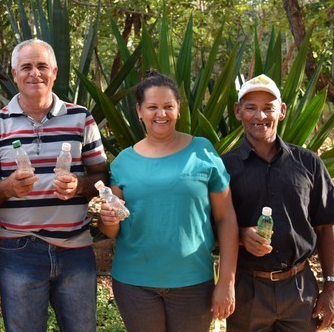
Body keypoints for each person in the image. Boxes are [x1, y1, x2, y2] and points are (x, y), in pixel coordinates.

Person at [0, 38, 108, 332]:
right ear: (14, 74)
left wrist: (80, 185)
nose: (34, 73)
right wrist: (7, 188)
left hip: (76, 247)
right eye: (26, 67)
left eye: (41, 66)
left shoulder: (81, 118)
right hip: (19, 250)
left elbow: (101, 175)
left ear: (55, 72)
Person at [98, 71, 238, 332]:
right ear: (139, 110)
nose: (160, 114)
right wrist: (107, 219)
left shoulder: (203, 151)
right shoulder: (123, 163)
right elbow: (112, 229)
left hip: (193, 282)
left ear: (178, 109)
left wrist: (227, 282)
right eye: (152, 107)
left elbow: (226, 218)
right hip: (134, 283)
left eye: (168, 107)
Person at [222, 74, 334, 331]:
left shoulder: (309, 163)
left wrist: (331, 287)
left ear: (282, 111)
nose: (260, 116)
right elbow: (209, 227)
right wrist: (241, 236)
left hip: (299, 290)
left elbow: (326, 227)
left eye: (268, 107)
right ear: (238, 111)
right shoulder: (224, 168)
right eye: (251, 108)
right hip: (246, 290)